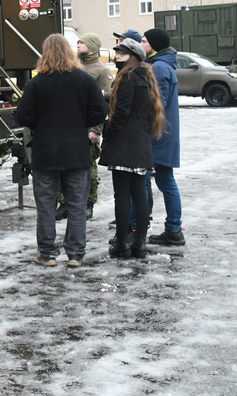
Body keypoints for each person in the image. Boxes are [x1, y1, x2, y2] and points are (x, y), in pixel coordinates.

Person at [15, 34, 109, 268]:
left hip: (45, 151)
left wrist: (40, 123)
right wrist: (81, 122)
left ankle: (47, 253)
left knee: (45, 205)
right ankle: (75, 254)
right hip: (77, 150)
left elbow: (23, 116)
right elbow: (100, 111)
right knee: (77, 205)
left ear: (45, 53)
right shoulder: (84, 80)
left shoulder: (37, 83)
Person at [99, 38, 166, 259]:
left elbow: (122, 111)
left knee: (122, 195)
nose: (117, 56)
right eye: (117, 52)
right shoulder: (145, 76)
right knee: (138, 193)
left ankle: (123, 244)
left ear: (133, 56)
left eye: (123, 53)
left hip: (125, 142)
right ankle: (139, 244)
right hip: (140, 141)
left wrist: (109, 130)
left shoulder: (127, 76)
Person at [56, 32, 113, 222]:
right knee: (65, 166)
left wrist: (96, 129)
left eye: (82, 43)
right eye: (78, 42)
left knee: (89, 168)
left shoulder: (101, 70)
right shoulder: (73, 66)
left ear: (92, 46)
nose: (78, 45)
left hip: (88, 126)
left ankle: (88, 204)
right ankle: (64, 203)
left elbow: (103, 102)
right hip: (71, 125)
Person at [141, 27, 185, 246]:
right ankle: (173, 228)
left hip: (158, 136)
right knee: (166, 181)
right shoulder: (164, 64)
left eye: (144, 41)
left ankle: (171, 228)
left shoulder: (159, 67)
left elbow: (157, 103)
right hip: (165, 134)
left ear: (155, 44)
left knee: (161, 182)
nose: (142, 44)